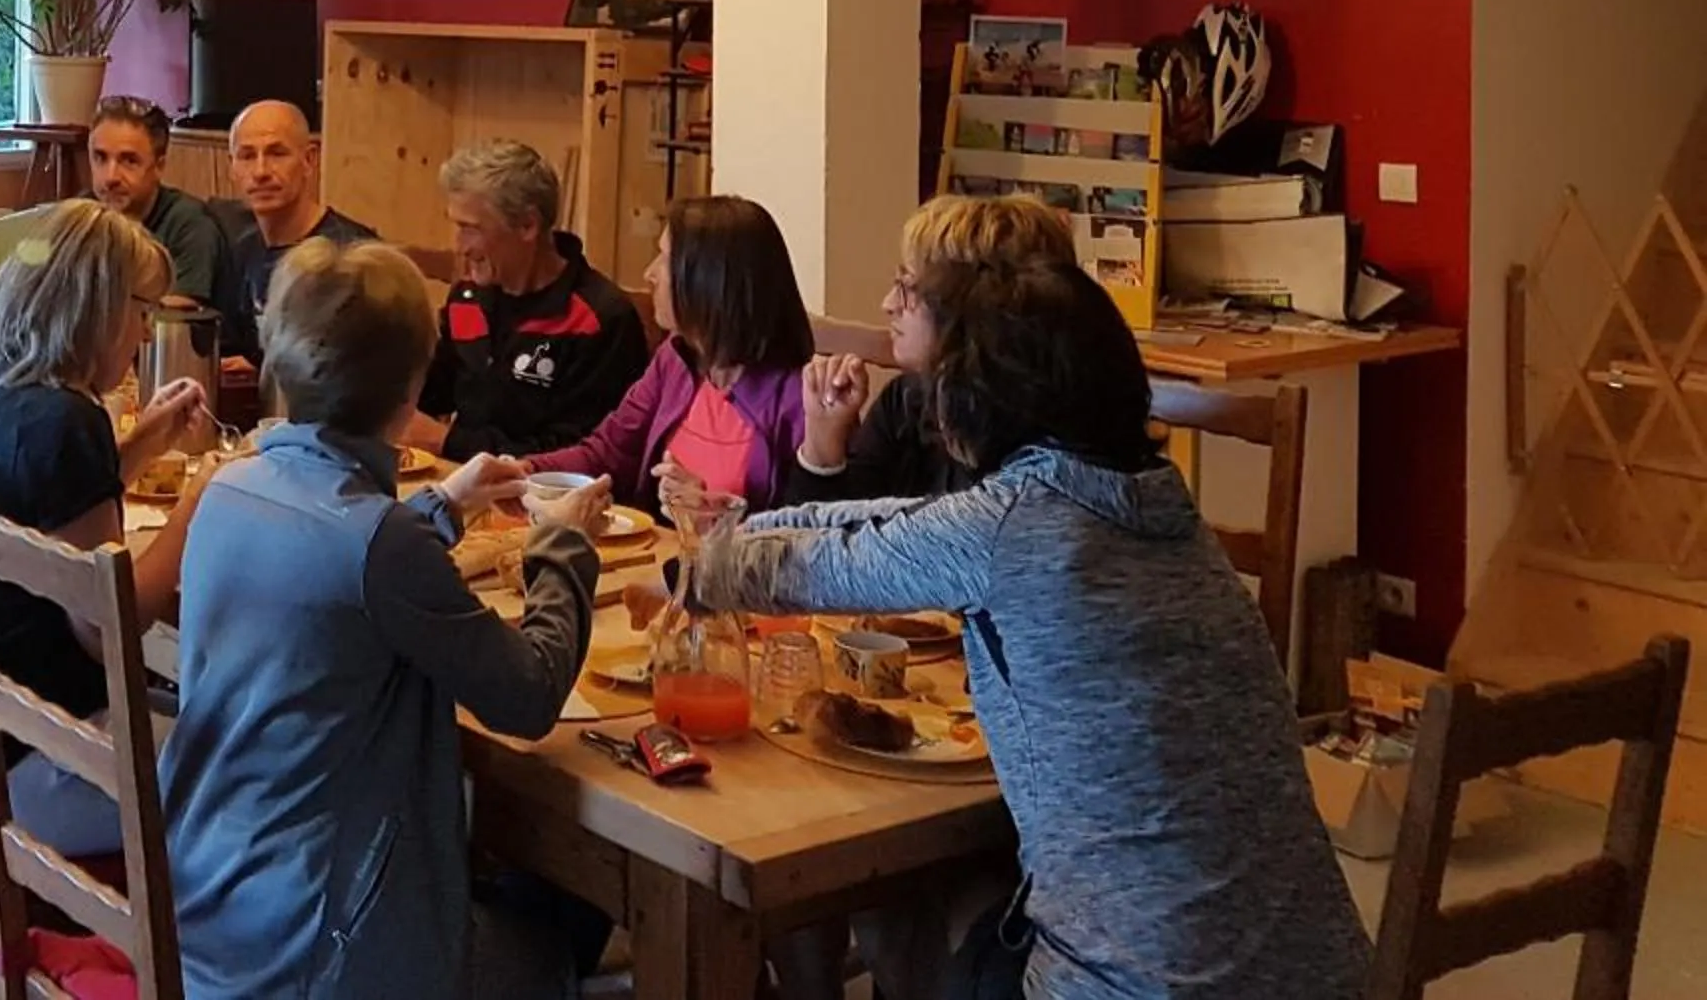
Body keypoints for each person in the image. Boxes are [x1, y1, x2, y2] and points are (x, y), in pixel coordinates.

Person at [688, 254, 1371, 1000]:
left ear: (978, 400)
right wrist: (752, 528)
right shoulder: (1161, 507)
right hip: (1322, 969)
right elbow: (895, 523)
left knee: (909, 907)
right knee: (967, 903)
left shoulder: (1013, 525)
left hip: (1127, 984)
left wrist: (702, 568)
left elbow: (817, 570)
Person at [167, 238, 608, 1000]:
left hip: (211, 900)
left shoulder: (227, 487)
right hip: (322, 950)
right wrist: (562, 543)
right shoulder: (381, 542)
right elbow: (530, 696)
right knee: (576, 905)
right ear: (412, 390)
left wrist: (444, 503)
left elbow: (344, 565)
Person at [0, 199, 215, 855]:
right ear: (99, 309)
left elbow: (44, 514)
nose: (146, 335)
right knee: (261, 776)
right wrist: (198, 506)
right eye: (142, 312)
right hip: (23, 766)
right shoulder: (64, 422)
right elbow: (112, 628)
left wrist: (138, 449)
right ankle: (194, 951)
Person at [523, 194, 815, 517]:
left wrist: (718, 518)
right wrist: (524, 470)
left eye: (664, 259)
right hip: (661, 557)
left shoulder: (799, 399)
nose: (649, 274)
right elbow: (609, 451)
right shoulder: (675, 360)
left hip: (732, 564)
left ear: (710, 280)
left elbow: (806, 533)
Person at [783, 193, 1077, 506]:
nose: (888, 304)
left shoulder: (1052, 441)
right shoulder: (908, 401)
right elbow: (818, 537)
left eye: (907, 287)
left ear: (974, 302)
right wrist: (822, 443)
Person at [405, 140, 645, 462]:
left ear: (527, 225)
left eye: (470, 229)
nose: (460, 247)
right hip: (466, 487)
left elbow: (580, 457)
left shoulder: (600, 319)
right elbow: (431, 393)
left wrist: (448, 442)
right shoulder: (468, 297)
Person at [206, 98, 373, 367]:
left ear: (309, 159)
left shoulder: (353, 256)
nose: (260, 172)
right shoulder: (240, 249)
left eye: (277, 153)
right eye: (247, 156)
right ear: (232, 167)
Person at [85, 93, 226, 302]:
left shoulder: (189, 225)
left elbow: (175, 319)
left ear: (159, 166)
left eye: (129, 161)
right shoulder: (84, 214)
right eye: (100, 158)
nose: (110, 177)